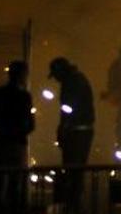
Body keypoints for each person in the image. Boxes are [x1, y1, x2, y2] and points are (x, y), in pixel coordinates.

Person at [49, 57, 95, 214]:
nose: (55, 79)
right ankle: (74, 202)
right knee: (75, 169)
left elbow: (69, 109)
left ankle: (73, 203)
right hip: (80, 130)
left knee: (73, 168)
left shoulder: (71, 82)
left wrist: (64, 127)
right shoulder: (77, 80)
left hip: (77, 131)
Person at [0, 61, 35, 214]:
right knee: (16, 183)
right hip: (18, 144)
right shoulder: (24, 96)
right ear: (22, 75)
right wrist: (21, 131)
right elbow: (31, 124)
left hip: (1, 142)